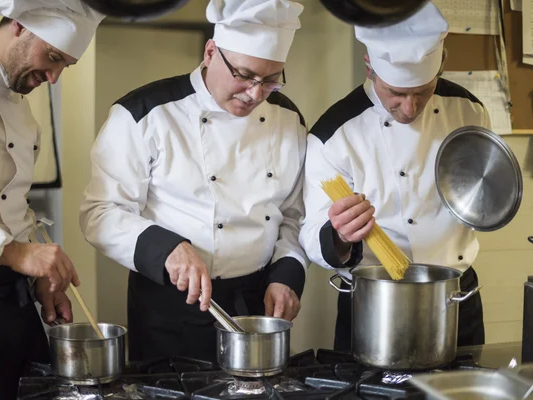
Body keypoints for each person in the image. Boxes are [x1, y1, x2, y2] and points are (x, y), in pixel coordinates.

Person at [80, 0, 309, 362]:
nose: (254, 94)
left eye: (270, 81)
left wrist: (287, 273)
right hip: (169, 307)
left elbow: (294, 214)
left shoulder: (287, 119)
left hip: (255, 303)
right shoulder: (145, 114)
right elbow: (100, 212)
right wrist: (166, 248)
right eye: (244, 75)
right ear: (210, 51)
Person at [0, 0, 104, 398]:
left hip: (12, 305)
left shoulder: (22, 111)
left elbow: (12, 206)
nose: (55, 76)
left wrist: (41, 277)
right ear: (20, 26)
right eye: (54, 57)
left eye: (65, 66)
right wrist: (13, 253)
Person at [299, 1, 488, 352]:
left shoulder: (469, 111)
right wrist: (340, 235)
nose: (410, 108)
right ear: (370, 67)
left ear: (441, 67)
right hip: (376, 302)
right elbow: (312, 236)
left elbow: (481, 190)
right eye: (396, 93)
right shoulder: (334, 134)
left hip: (456, 294)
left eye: (422, 91)